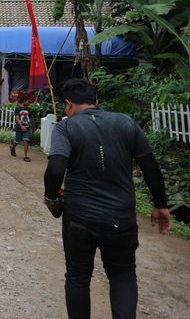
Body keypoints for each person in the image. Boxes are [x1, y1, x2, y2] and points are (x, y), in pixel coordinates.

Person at [43, 78, 171, 319]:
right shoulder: (126, 123)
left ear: (68, 104)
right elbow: (150, 167)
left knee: (78, 276)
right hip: (120, 218)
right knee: (122, 275)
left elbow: (55, 170)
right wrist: (161, 205)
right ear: (96, 101)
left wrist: (51, 199)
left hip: (78, 219)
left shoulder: (66, 128)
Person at [10, 94, 32, 162]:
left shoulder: (28, 109)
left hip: (27, 127)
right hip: (19, 127)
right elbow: (17, 118)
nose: (29, 102)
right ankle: (12, 146)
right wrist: (21, 126)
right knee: (17, 141)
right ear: (24, 101)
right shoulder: (18, 108)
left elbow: (29, 118)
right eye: (28, 101)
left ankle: (25, 156)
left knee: (26, 140)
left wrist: (28, 125)